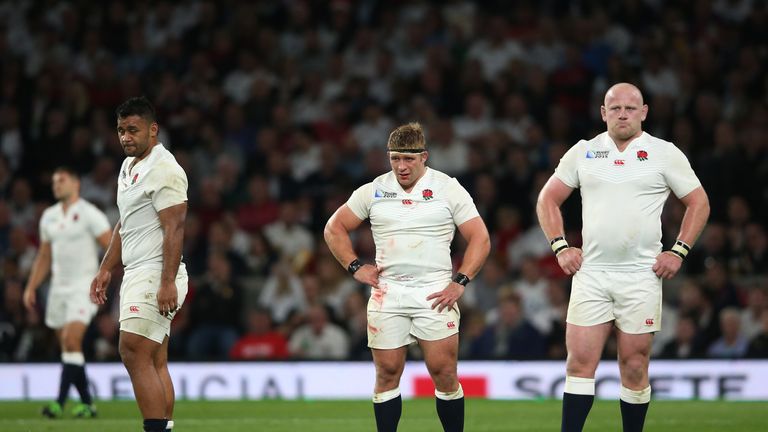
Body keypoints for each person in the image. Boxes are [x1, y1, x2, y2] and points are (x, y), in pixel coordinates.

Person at [536, 83, 710, 432]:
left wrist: (679, 251)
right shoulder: (584, 152)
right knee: (579, 363)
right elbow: (547, 200)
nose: (623, 114)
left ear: (644, 112)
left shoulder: (664, 153)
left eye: (631, 108)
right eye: (615, 108)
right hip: (593, 272)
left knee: (633, 365)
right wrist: (560, 245)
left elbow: (699, 202)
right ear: (603, 113)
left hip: (640, 273)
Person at [324, 122, 490, 432]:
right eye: (395, 159)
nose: (401, 166)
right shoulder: (373, 189)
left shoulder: (447, 188)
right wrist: (355, 266)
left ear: (424, 157)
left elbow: (480, 237)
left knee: (444, 373)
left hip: (435, 293)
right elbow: (334, 227)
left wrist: (460, 281)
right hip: (389, 293)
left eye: (408, 159)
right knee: (386, 373)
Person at [90, 96, 189, 432]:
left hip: (156, 271)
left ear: (153, 129)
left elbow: (174, 227)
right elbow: (126, 221)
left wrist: (167, 281)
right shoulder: (129, 165)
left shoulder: (165, 168)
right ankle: (165, 427)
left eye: (133, 129)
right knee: (155, 360)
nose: (125, 136)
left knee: (132, 351)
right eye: (120, 130)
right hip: (138, 271)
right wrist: (106, 267)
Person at [22, 166, 111, 418]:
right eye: (53, 182)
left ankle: (58, 403)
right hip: (58, 290)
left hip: (83, 288)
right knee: (70, 349)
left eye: (61, 180)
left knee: (71, 341)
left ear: (76, 183)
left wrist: (106, 278)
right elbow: (44, 256)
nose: (56, 185)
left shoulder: (89, 214)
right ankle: (88, 404)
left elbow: (112, 246)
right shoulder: (49, 216)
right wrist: (31, 286)